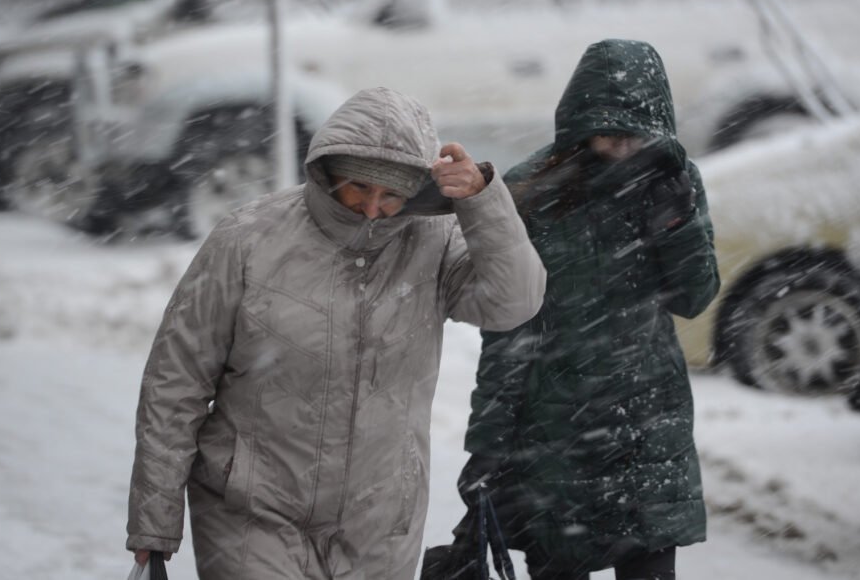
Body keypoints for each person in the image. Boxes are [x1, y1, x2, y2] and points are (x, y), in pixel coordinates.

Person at [126, 86, 546, 579]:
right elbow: (176, 382)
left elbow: (514, 301)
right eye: (358, 188)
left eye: (390, 194)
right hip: (251, 511)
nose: (372, 208)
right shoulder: (246, 240)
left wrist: (483, 203)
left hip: (379, 521)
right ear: (326, 173)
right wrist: (155, 523)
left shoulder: (431, 242)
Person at [454, 39, 720, 579]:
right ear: (577, 123)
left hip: (645, 424)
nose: (622, 147)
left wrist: (675, 221)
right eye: (608, 132)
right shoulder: (532, 193)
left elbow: (694, 297)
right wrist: (486, 448)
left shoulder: (672, 181)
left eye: (635, 133)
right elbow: (508, 330)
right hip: (553, 431)